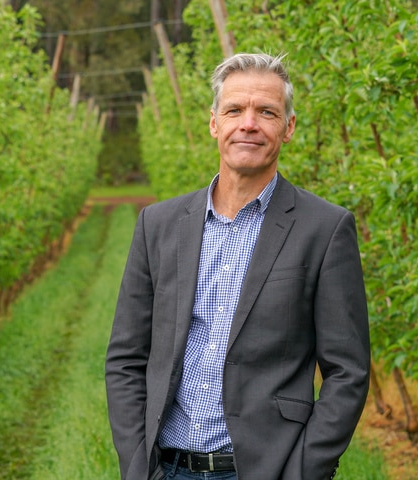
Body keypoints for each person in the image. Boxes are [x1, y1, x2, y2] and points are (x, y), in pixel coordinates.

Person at [104, 52, 370, 480]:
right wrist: (138, 464)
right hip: (165, 468)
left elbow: (348, 372)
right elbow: (125, 358)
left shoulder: (325, 228)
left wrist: (303, 470)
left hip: (264, 469)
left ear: (288, 128)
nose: (249, 123)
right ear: (215, 123)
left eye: (266, 111)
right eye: (234, 110)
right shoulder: (158, 225)